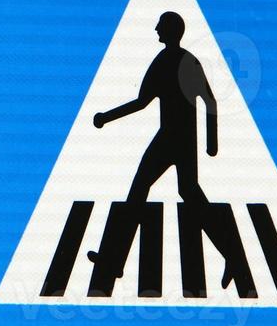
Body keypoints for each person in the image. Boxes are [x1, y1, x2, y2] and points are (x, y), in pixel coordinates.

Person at [93, 11, 217, 205]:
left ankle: (121, 230)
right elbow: (210, 103)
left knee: (144, 184)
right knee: (187, 188)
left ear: (170, 29)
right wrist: (211, 145)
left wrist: (212, 144)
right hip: (185, 140)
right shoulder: (186, 60)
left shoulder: (167, 61)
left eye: (160, 24)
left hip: (170, 137)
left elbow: (210, 102)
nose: (156, 28)